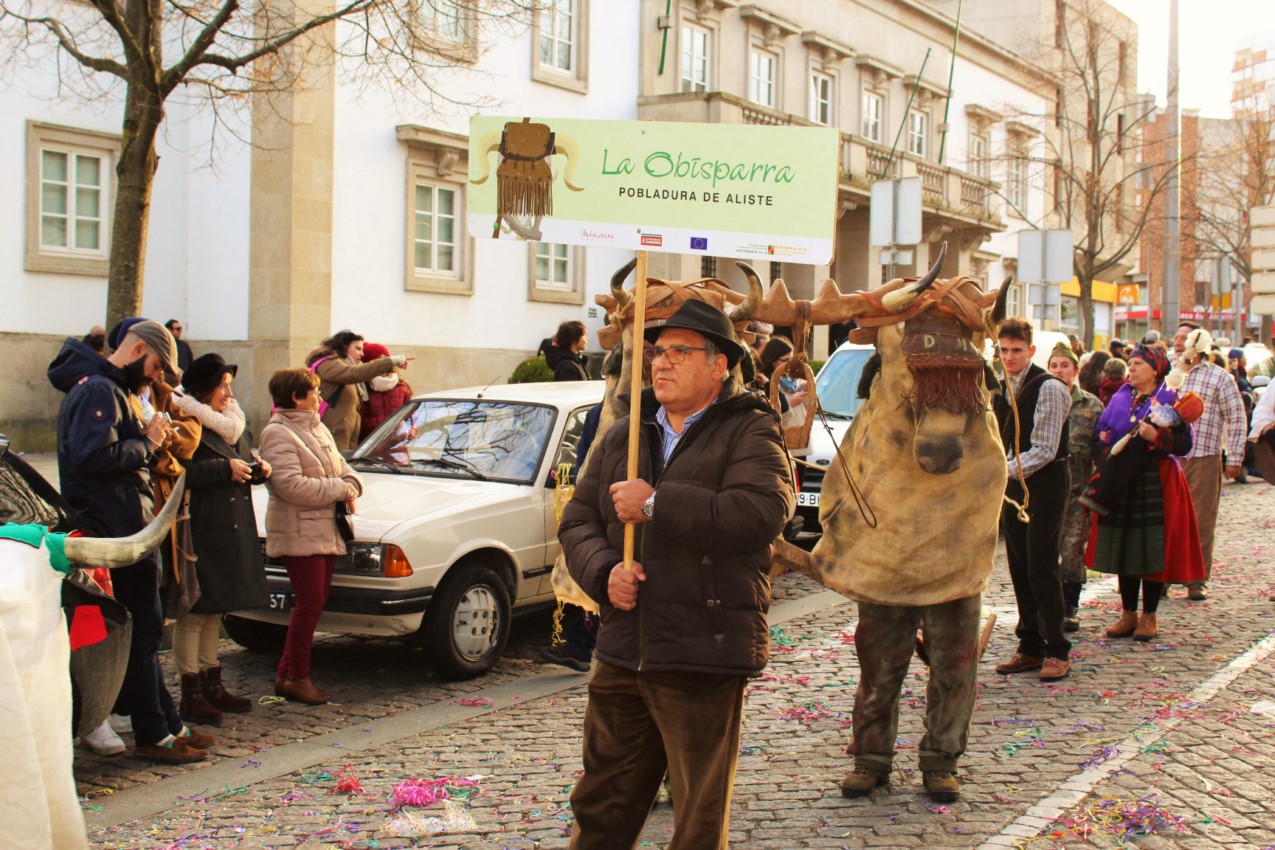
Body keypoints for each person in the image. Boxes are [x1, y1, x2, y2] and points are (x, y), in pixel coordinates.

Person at [558, 299, 794, 849]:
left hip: (701, 651)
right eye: (657, 352)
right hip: (623, 648)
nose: (661, 363)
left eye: (679, 352)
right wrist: (604, 573)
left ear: (719, 365)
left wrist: (656, 504)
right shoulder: (626, 433)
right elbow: (578, 520)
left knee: (697, 817)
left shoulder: (751, 430)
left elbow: (758, 515)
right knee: (600, 804)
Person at [47, 320, 215, 763]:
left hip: (125, 524)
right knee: (141, 633)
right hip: (113, 528)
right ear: (137, 348)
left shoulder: (110, 389)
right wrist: (148, 442)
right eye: (157, 365)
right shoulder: (100, 391)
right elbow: (93, 458)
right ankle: (153, 734)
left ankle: (165, 725)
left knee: (146, 631)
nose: (156, 376)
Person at [169, 354, 270, 724]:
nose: (229, 392)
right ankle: (190, 692)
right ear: (204, 388)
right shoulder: (185, 420)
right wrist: (224, 468)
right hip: (202, 527)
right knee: (195, 611)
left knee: (215, 610)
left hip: (230, 524)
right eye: (222, 385)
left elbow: (239, 460)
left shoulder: (231, 423)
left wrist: (256, 469)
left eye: (230, 385)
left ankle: (213, 683)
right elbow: (179, 472)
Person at [259, 367, 364, 705]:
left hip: (324, 528)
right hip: (299, 529)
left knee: (314, 603)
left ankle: (287, 673)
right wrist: (339, 489)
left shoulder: (316, 427)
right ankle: (297, 676)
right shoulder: (277, 433)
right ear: (296, 397)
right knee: (308, 604)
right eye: (315, 392)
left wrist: (352, 484)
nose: (320, 398)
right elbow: (290, 486)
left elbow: (343, 467)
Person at [1086, 345, 1204, 640]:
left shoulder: (1171, 398)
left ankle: (1149, 616)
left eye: (1138, 363)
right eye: (1130, 362)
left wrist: (1158, 436)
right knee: (1125, 544)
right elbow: (1102, 432)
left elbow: (1183, 444)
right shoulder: (1120, 397)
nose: (1132, 367)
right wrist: (1103, 450)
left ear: (1156, 369)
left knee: (1151, 546)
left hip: (1156, 478)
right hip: (1122, 477)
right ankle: (1128, 614)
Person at [991, 319, 1073, 682]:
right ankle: (1029, 646)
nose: (1009, 357)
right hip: (1013, 483)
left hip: (1046, 480)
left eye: (1016, 350)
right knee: (1019, 565)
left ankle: (1057, 649)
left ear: (1031, 351)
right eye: (1004, 350)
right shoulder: (1001, 387)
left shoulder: (1049, 387)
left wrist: (998, 470)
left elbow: (1044, 449)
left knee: (1042, 565)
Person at [539, 347, 623, 672]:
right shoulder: (598, 413)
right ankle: (579, 645)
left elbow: (585, 465)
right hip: (599, 506)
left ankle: (580, 645)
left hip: (608, 508)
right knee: (590, 574)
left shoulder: (609, 412)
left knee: (594, 575)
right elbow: (584, 463)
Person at [1173, 324, 1247, 600]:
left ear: (1199, 344)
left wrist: (1235, 457)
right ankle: (1166, 576)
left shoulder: (1220, 377)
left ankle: (1197, 578)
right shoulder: (1170, 373)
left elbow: (1237, 416)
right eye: (1177, 338)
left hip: (1204, 456)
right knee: (1169, 519)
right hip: (1171, 457)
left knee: (1201, 521)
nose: (1179, 343)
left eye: (1185, 338)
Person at [1046, 342, 1104, 632]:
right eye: (1054, 366)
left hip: (1078, 491)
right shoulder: (1041, 400)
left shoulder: (1091, 405)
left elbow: (1100, 450)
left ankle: (1070, 605)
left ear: (1075, 370)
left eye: (1064, 366)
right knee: (1046, 550)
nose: (1059, 371)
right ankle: (1049, 602)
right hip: (1046, 491)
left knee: (1071, 550)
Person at [307, 330, 409, 452]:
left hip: (345, 437)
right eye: (358, 349)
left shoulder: (345, 367)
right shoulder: (328, 364)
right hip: (332, 436)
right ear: (344, 347)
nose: (361, 354)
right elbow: (356, 373)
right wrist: (391, 361)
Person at [357, 342, 414, 442]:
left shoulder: (401, 387)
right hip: (368, 447)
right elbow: (358, 422)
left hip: (398, 448)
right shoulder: (362, 386)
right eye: (379, 359)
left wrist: (412, 429)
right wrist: (389, 422)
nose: (384, 363)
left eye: (386, 358)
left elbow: (411, 415)